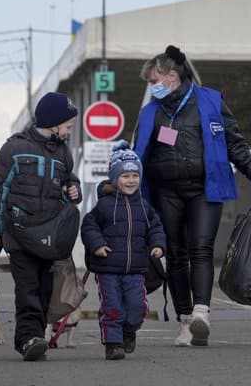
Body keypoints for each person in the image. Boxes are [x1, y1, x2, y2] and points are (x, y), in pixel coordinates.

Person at [132, 45, 251, 347]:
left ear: (172, 76)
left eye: (153, 81)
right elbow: (136, 156)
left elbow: (235, 144)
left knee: (200, 249)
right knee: (175, 254)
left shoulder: (210, 101)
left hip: (204, 189)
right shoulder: (150, 114)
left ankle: (201, 313)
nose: (151, 87)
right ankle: (185, 322)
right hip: (165, 191)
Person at [0, 92, 82, 361]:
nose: (69, 132)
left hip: (49, 234)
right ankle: (28, 338)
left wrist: (74, 190)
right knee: (27, 288)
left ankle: (36, 336)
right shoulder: (14, 148)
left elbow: (69, 182)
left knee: (45, 288)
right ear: (53, 123)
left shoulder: (63, 153)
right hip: (18, 232)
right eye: (68, 126)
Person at [81, 141, 166, 360]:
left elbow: (156, 227)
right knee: (112, 307)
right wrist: (97, 245)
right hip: (107, 268)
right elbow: (89, 226)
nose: (131, 180)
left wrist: (157, 245)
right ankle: (113, 343)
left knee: (137, 307)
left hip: (136, 269)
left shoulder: (144, 206)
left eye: (135, 176)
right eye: (125, 176)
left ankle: (129, 332)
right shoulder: (104, 205)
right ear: (114, 178)